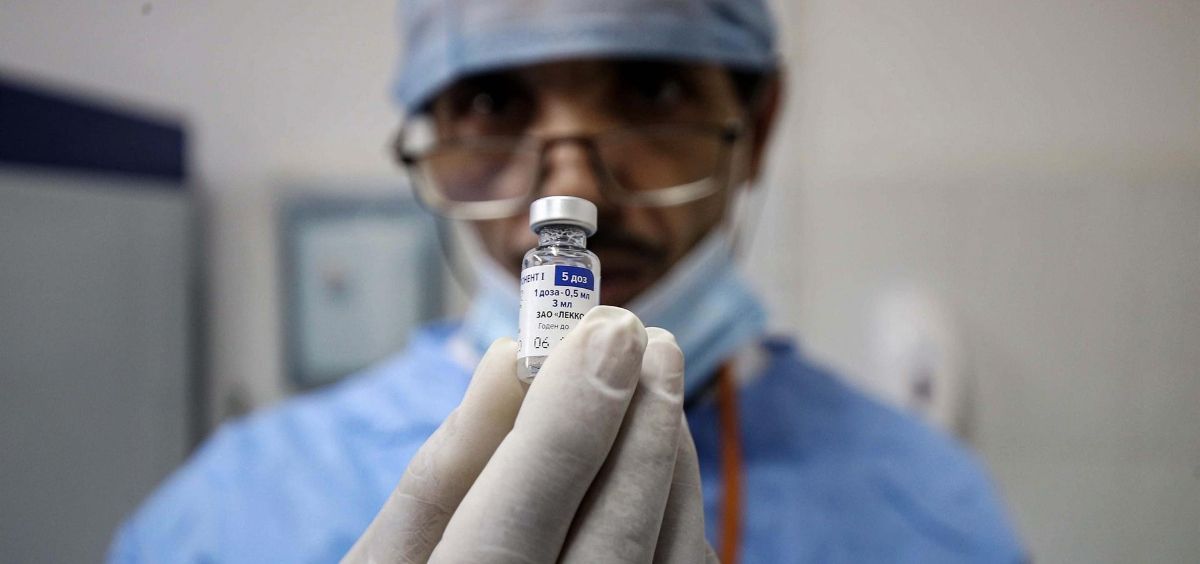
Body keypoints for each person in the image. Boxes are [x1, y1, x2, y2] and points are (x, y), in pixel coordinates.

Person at [109, 1, 1026, 562]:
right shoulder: (230, 515)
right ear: (431, 139)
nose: (574, 185)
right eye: (492, 102)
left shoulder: (933, 513)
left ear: (759, 124)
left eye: (652, 91)